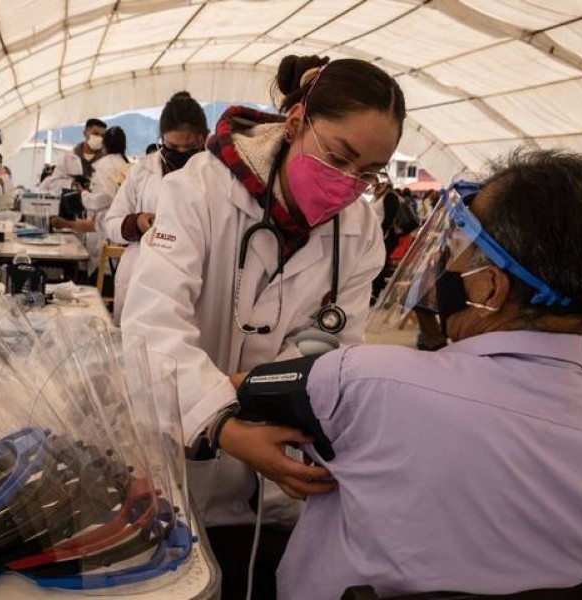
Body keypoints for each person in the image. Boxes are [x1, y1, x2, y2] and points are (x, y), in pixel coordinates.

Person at [237, 149, 582, 599]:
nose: (446, 259)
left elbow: (229, 392)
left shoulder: (364, 380)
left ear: (489, 286)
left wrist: (222, 430)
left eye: (461, 244)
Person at [122, 55, 405, 598]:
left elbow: (337, 347)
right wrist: (224, 425)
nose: (349, 185)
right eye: (339, 156)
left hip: (279, 480)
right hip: (184, 462)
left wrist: (269, 399)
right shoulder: (199, 190)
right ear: (296, 122)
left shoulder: (360, 230)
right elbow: (150, 327)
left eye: (369, 173)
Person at [104, 91, 208, 323]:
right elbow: (111, 222)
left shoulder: (215, 175)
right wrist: (137, 222)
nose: (179, 154)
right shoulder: (143, 171)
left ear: (203, 139)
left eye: (188, 148)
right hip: (141, 277)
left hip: (190, 282)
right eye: (171, 147)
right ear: (161, 139)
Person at [51, 126, 130, 276]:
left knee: (102, 277)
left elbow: (105, 196)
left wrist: (85, 195)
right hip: (114, 234)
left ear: (104, 145)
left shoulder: (106, 165)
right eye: (95, 133)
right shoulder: (124, 164)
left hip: (104, 236)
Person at [39, 118, 107, 194]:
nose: (99, 138)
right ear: (85, 133)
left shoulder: (106, 159)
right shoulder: (67, 157)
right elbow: (54, 183)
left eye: (102, 136)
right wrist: (72, 184)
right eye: (95, 134)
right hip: (72, 202)